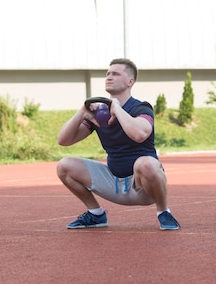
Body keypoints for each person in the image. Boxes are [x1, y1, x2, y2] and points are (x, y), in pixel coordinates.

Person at [56, 58, 180, 230]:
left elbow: (139, 134)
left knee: (146, 163)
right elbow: (64, 140)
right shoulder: (99, 113)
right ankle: (96, 214)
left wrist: (117, 109)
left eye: (115, 74)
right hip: (113, 181)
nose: (109, 77)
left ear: (130, 81)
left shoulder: (141, 108)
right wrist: (82, 112)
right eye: (107, 74)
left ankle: (163, 212)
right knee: (64, 165)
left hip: (142, 187)